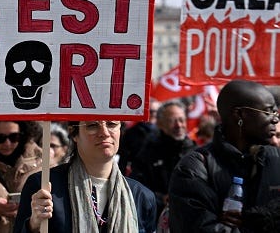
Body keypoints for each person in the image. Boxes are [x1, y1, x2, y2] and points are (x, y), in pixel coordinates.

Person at [168, 79, 280, 232]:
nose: (275, 119)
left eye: (275, 112)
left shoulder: (277, 159)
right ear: (239, 114)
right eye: (268, 112)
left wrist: (261, 218)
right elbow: (196, 226)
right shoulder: (195, 167)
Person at [14, 120, 157, 233]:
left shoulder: (141, 196)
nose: (105, 133)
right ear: (74, 133)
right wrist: (33, 225)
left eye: (112, 124)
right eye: (92, 125)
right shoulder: (43, 186)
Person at [130, 100, 196, 216]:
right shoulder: (147, 153)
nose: (179, 125)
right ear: (160, 123)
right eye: (172, 121)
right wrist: (160, 198)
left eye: (181, 120)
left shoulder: (196, 152)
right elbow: (137, 187)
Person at [117, 100, 159, 175]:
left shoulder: (163, 132)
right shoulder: (132, 132)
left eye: (157, 112)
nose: (154, 114)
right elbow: (124, 157)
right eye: (151, 111)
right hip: (139, 174)